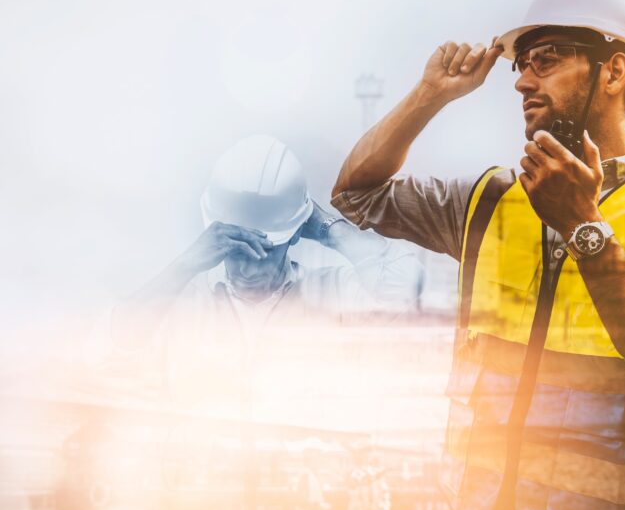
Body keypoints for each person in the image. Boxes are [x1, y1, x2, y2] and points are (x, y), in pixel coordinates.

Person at [331, 0, 625, 510]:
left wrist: (583, 227)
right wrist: (429, 94)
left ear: (613, 73)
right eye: (522, 64)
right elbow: (355, 195)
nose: (521, 80)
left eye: (547, 60)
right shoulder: (489, 201)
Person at [109, 134, 419, 420]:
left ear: (295, 235)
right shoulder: (187, 299)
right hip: (198, 476)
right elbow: (119, 339)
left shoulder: (329, 293)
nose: (249, 269)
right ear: (214, 241)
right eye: (237, 252)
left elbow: (405, 282)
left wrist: (323, 225)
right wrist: (186, 265)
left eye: (265, 250)